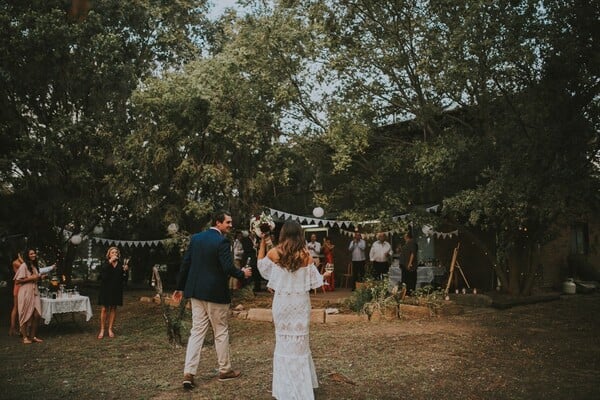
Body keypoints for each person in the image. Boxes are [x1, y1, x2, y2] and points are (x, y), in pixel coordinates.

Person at [172, 210, 252, 390]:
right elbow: (227, 267)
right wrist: (242, 273)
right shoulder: (222, 241)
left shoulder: (196, 238)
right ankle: (225, 370)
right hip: (215, 293)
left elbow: (186, 263)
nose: (230, 225)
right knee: (220, 331)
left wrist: (180, 287)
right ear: (218, 222)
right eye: (228, 222)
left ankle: (188, 373)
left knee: (196, 331)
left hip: (196, 292)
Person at [257, 220, 323, 400]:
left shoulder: (274, 253)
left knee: (283, 344)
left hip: (282, 304)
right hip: (300, 304)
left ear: (283, 233)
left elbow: (261, 267)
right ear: (300, 234)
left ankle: (285, 388)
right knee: (300, 346)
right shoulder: (306, 255)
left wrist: (262, 242)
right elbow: (315, 283)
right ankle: (302, 388)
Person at [14, 248, 48, 344]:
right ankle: (25, 337)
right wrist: (32, 278)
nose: (33, 255)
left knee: (37, 314)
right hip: (25, 291)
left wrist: (40, 277)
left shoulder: (33, 265)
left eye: (34, 253)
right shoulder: (23, 266)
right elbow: (17, 281)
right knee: (25, 314)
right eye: (31, 254)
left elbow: (35, 278)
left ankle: (32, 336)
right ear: (27, 255)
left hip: (34, 291)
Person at [97, 246, 129, 339]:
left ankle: (110, 329)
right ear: (109, 255)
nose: (115, 254)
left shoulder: (121, 265)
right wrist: (110, 262)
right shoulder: (105, 264)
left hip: (116, 289)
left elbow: (124, 279)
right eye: (113, 252)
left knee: (113, 308)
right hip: (105, 289)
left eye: (116, 252)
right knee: (104, 309)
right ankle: (102, 329)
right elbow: (101, 276)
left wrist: (126, 271)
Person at [9, 252, 24, 336]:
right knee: (16, 307)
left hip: (22, 285)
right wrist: (21, 259)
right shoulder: (15, 262)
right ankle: (13, 328)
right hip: (18, 285)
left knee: (21, 307)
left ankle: (21, 328)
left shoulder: (21, 261)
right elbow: (25, 267)